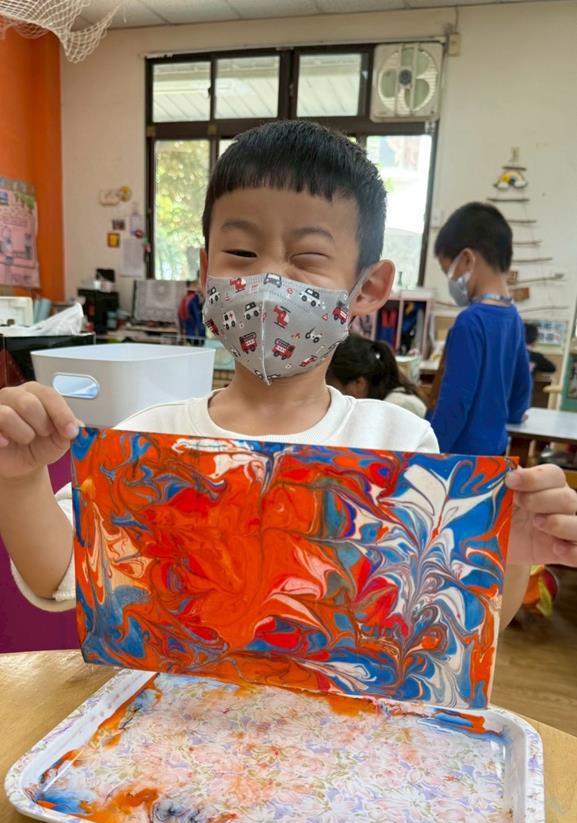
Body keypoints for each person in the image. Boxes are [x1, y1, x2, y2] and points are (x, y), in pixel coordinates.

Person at [0, 123, 575, 630]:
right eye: (242, 253)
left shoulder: (399, 444)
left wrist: (512, 554)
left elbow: (445, 625)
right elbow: (63, 576)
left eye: (307, 257)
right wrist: (20, 482)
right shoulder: (148, 438)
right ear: (205, 270)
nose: (271, 280)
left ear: (368, 288)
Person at [429, 202, 532, 455]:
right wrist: (513, 414)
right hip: (494, 455)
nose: (451, 281)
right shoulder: (514, 318)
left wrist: (428, 453)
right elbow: (522, 391)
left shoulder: (470, 321)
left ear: (467, 259)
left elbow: (454, 403)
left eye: (448, 271)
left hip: (460, 459)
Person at [327, 333, 427, 417]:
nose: (330, 398)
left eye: (331, 390)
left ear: (359, 384)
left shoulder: (397, 406)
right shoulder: (381, 403)